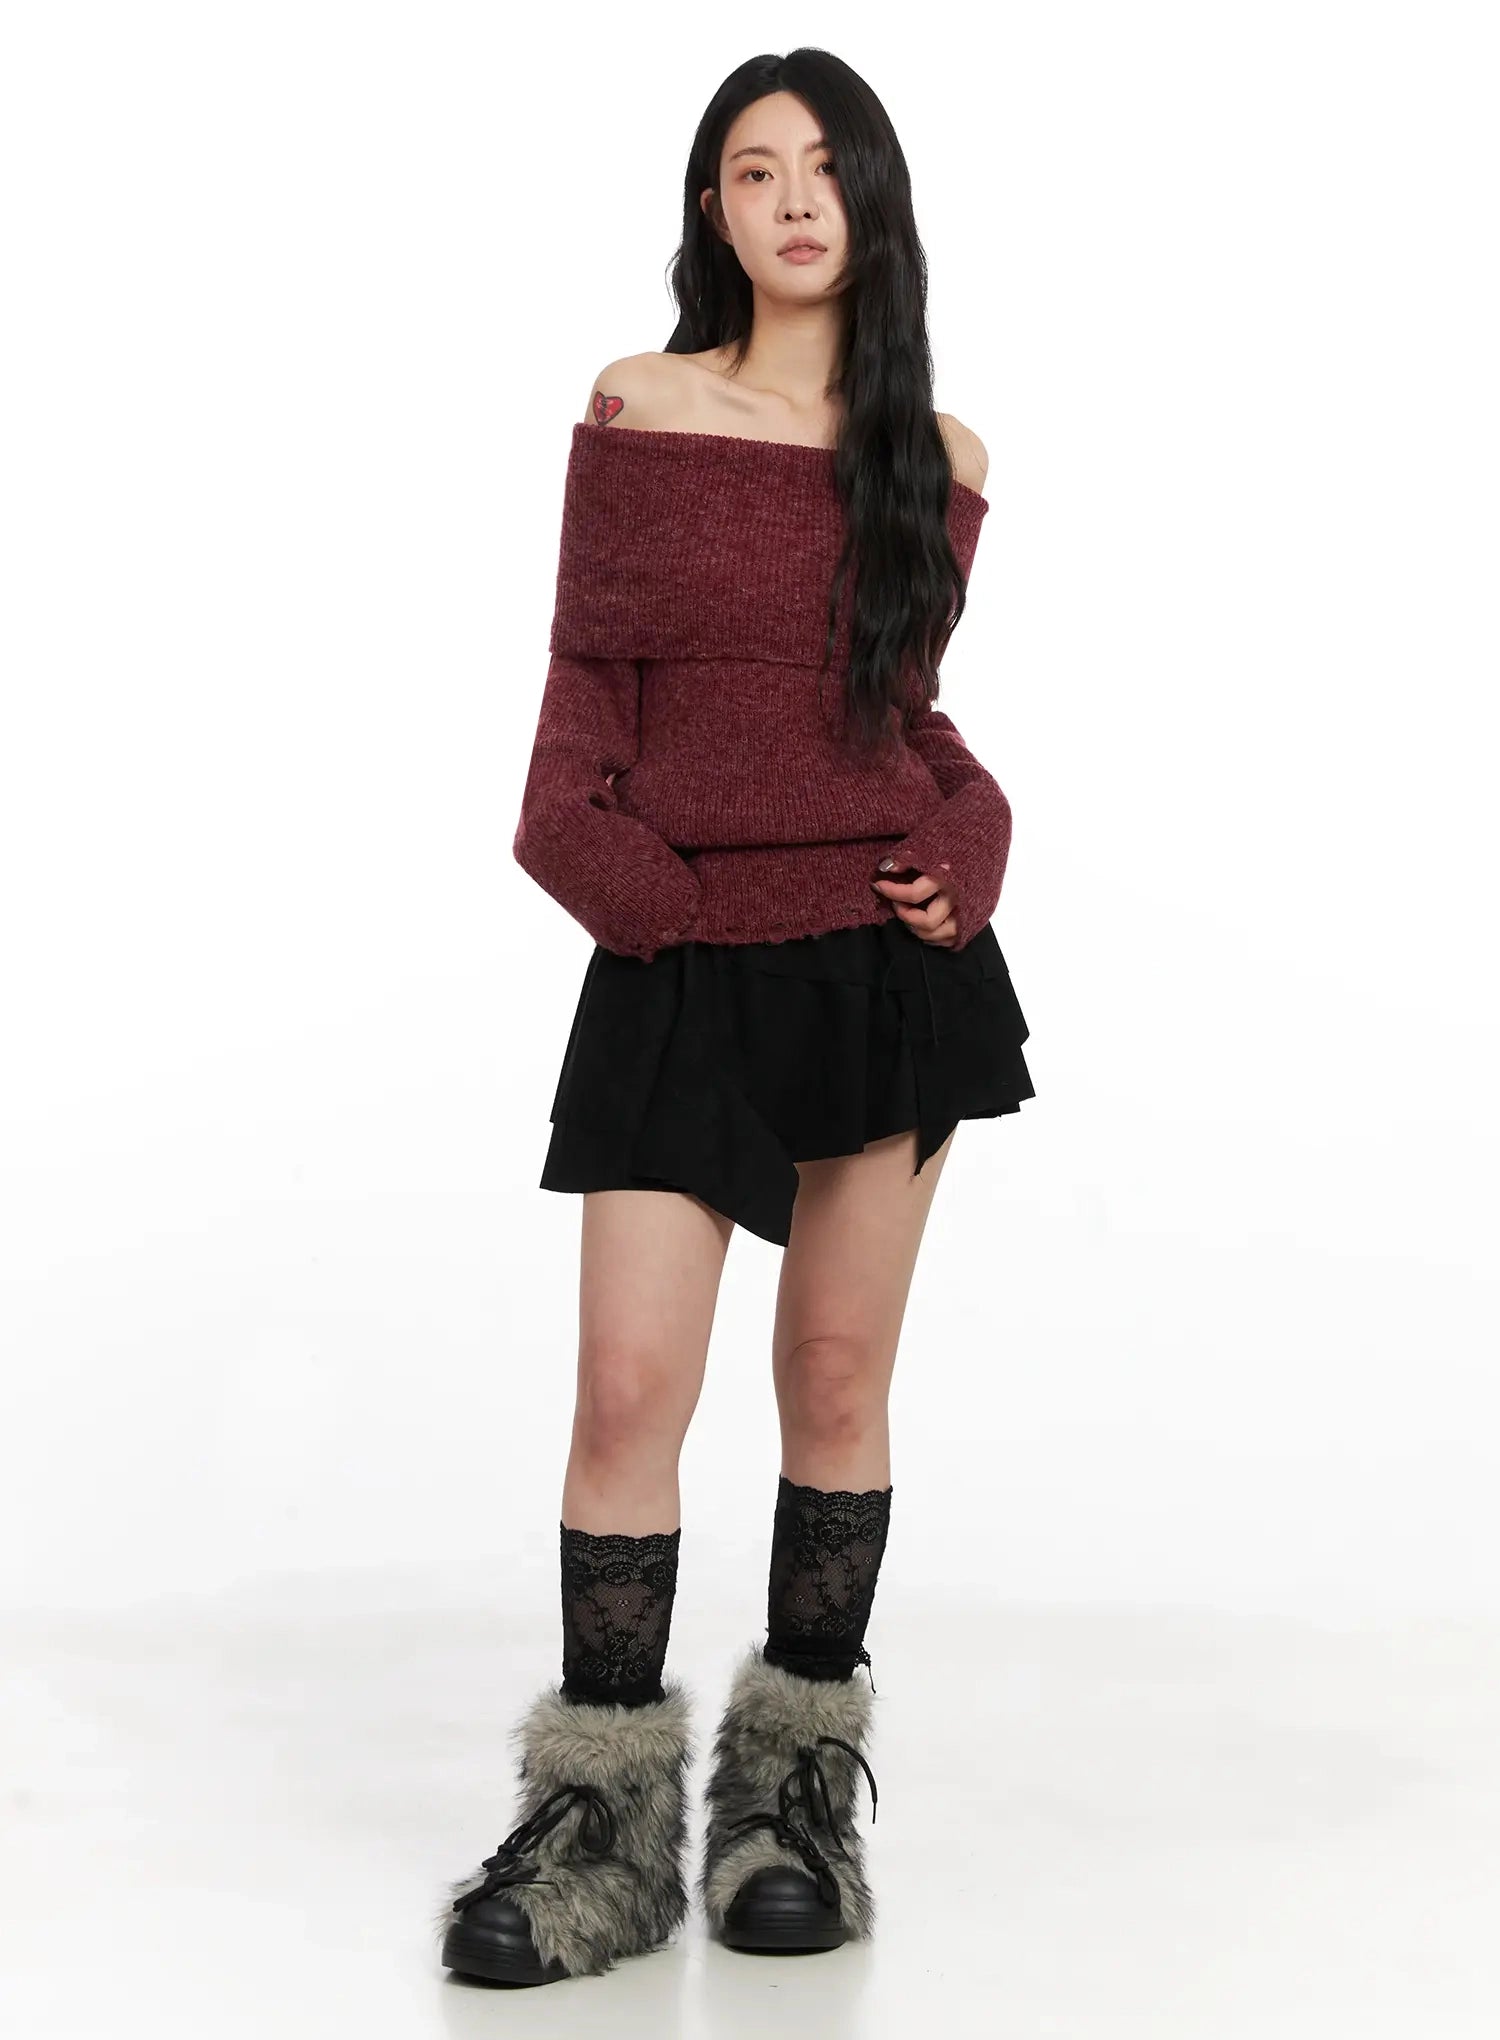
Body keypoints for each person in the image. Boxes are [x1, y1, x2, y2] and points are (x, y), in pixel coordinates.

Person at [435, 47, 1035, 1987]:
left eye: (823, 167)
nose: (791, 200)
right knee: (629, 1391)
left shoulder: (936, 455)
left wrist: (976, 835)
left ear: (874, 200)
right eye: (753, 170)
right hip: (685, 960)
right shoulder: (643, 405)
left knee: (837, 1381)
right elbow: (576, 727)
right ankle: (603, 1825)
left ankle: (790, 1800)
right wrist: (652, 909)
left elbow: (906, 721)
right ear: (713, 208)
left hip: (882, 965)